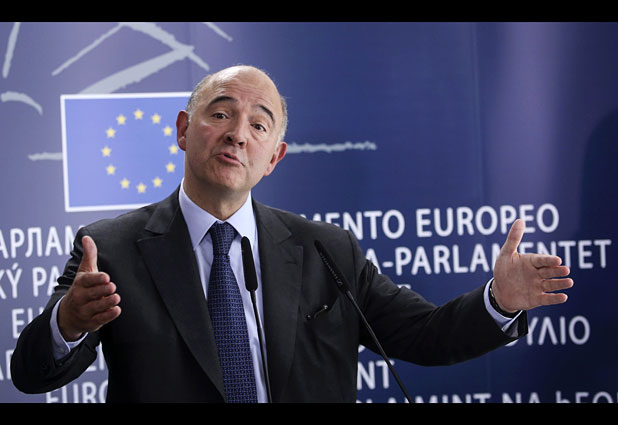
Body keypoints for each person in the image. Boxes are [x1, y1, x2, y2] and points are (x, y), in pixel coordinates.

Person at [10, 65, 573, 403]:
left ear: (273, 157)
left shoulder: (326, 250)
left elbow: (424, 336)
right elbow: (31, 374)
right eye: (220, 114)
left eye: (258, 125)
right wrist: (68, 324)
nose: (237, 134)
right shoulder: (110, 248)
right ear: (183, 130)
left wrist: (499, 302)